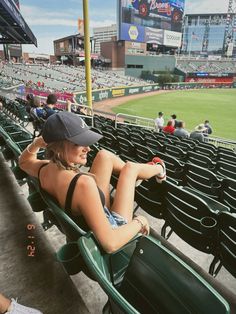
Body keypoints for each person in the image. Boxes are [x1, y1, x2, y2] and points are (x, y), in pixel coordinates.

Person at [19, 112, 166, 253]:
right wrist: (141, 221)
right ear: (58, 147)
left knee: (104, 156)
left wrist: (37, 143)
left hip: (90, 209)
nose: (87, 149)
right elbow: (111, 243)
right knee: (130, 169)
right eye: (79, 143)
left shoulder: (44, 169)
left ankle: (141, 175)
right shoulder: (83, 184)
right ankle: (160, 169)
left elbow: (24, 161)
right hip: (114, 228)